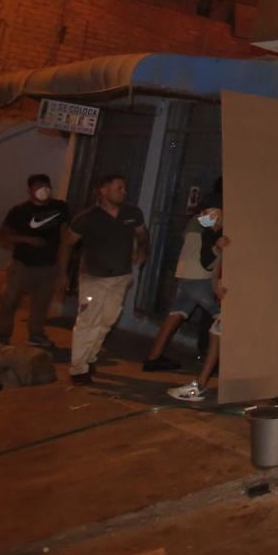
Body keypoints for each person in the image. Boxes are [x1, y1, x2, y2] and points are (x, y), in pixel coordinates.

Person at [61, 173, 148, 386]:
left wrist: (143, 250)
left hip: (120, 277)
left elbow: (142, 235)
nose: (124, 192)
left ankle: (89, 358)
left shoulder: (132, 213)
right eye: (119, 188)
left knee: (107, 320)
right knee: (88, 321)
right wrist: (62, 274)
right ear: (104, 190)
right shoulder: (87, 217)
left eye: (124, 188)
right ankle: (78, 369)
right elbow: (66, 244)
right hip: (94, 277)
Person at [143, 193, 223, 372]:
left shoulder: (197, 222)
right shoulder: (203, 221)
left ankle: (153, 358)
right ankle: (212, 364)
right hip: (198, 277)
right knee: (222, 317)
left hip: (187, 275)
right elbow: (209, 230)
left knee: (175, 315)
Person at [0, 174, 71, 348]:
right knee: (10, 301)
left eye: (46, 185)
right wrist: (26, 239)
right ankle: (3, 337)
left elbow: (65, 239)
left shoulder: (60, 208)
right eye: (38, 186)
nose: (43, 189)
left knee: (41, 304)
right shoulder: (19, 211)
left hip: (49, 265)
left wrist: (63, 271)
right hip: (23, 265)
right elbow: (3, 235)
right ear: (29, 189)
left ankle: (36, 335)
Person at [169, 224, 229, 403]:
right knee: (216, 333)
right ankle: (200, 385)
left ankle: (200, 385)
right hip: (228, 297)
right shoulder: (221, 237)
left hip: (240, 299)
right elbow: (212, 265)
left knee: (219, 334)